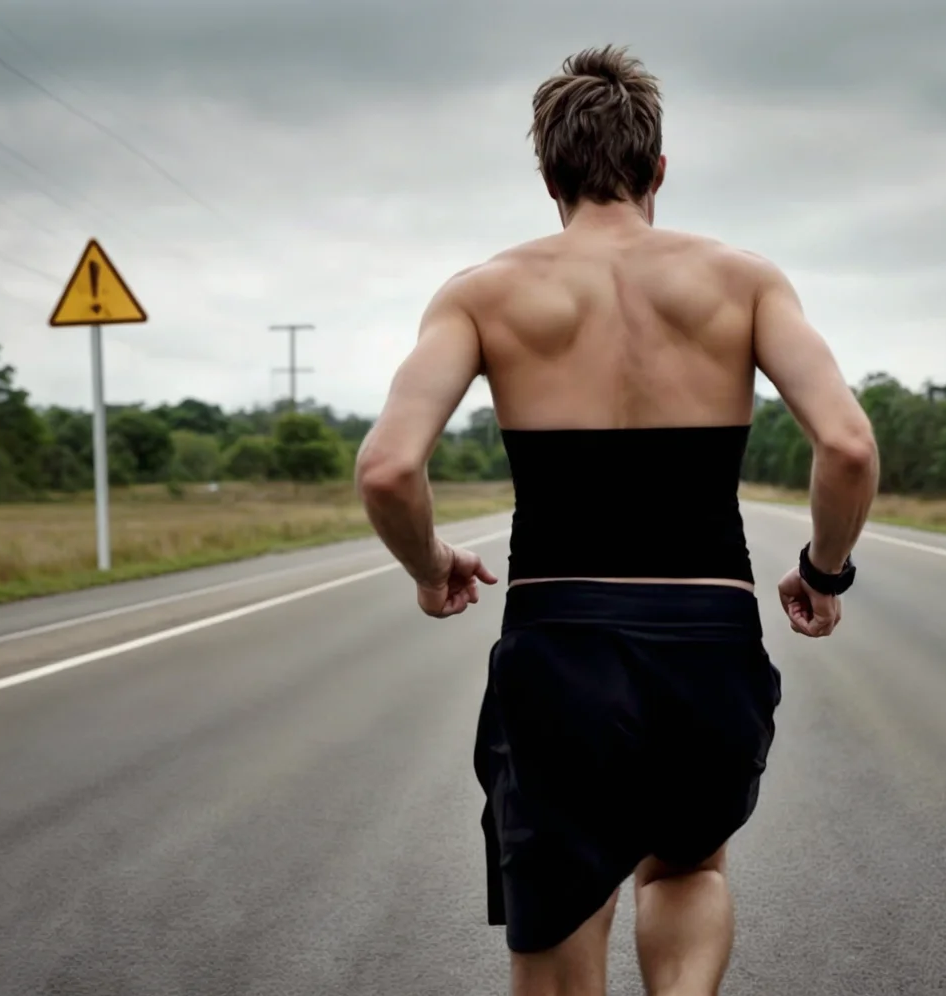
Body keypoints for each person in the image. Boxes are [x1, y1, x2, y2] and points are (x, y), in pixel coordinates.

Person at [356, 44, 879, 996]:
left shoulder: (483, 293)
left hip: (561, 639)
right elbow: (847, 445)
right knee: (687, 865)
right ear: (659, 170)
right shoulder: (747, 281)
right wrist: (825, 569)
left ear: (548, 175)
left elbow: (389, 467)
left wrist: (431, 564)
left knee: (561, 903)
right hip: (708, 633)